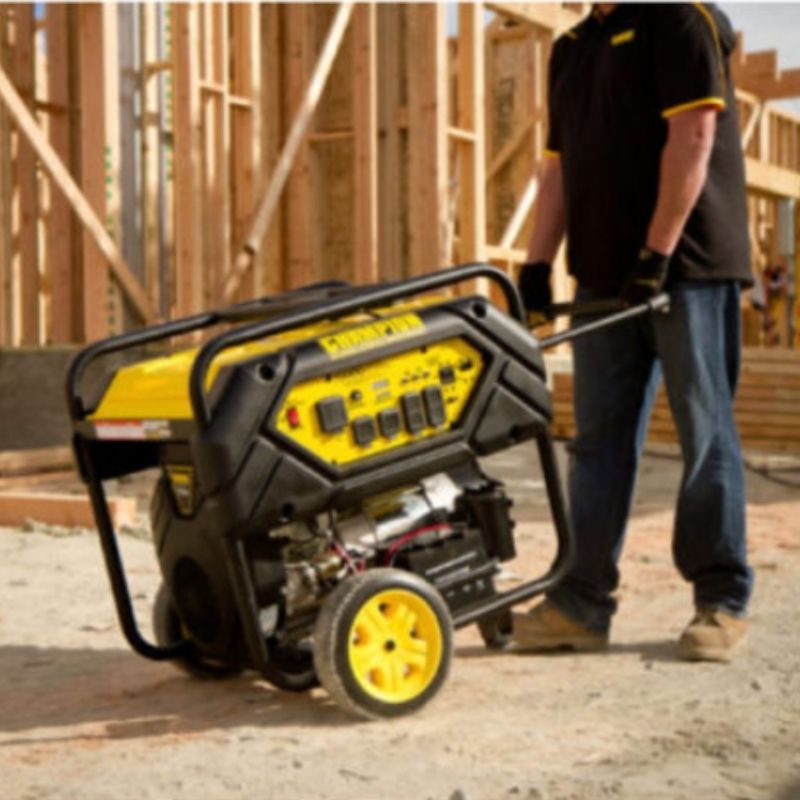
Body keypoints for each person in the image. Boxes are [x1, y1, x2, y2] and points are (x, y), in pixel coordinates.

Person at [515, 3, 753, 662]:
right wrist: (535, 266)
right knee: (595, 443)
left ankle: (721, 601)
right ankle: (579, 604)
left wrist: (657, 254)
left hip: (689, 269)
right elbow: (558, 167)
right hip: (602, 281)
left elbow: (694, 135)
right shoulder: (572, 48)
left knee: (704, 432)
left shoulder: (677, 17)